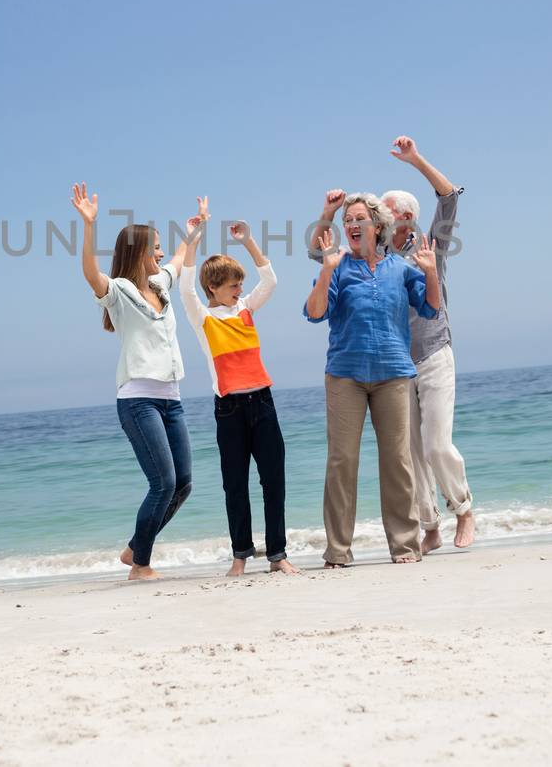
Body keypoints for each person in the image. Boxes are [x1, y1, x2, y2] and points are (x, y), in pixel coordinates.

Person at [304, 193, 441, 567]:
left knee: (397, 461)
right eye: (347, 219)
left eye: (359, 218)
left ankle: (405, 545)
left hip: (394, 374)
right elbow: (315, 313)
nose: (351, 224)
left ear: (377, 226)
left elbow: (431, 307)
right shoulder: (339, 266)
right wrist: (327, 270)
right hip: (345, 376)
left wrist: (430, 271)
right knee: (341, 461)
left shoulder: (399, 268)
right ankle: (338, 551)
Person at [71, 183, 194, 581]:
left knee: (183, 483)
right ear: (139, 252)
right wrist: (88, 225)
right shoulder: (121, 291)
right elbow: (92, 274)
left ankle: (134, 549)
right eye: (155, 247)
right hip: (138, 399)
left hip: (171, 399)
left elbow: (178, 259)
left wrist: (194, 232)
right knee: (163, 482)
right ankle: (140, 565)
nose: (161, 252)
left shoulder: (161, 286)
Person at [178, 204, 300, 577]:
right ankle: (240, 556)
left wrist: (248, 242)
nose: (239, 291)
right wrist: (194, 237)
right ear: (213, 287)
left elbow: (271, 281)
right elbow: (184, 284)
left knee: (273, 481)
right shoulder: (202, 317)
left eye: (240, 285)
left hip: (263, 403)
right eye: (233, 286)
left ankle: (277, 556)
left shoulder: (246, 308)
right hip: (229, 410)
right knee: (235, 486)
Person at [379, 136, 476, 551]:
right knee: (411, 453)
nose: (379, 220)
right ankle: (429, 526)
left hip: (435, 352)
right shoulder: (376, 254)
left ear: (405, 216)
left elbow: (449, 197)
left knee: (436, 444)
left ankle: (464, 509)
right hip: (399, 363)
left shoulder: (431, 242)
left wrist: (415, 159)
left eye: (385, 213)